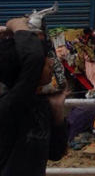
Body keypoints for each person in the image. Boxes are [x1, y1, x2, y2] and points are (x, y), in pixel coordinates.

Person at [0, 17, 68, 176]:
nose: (51, 64)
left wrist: (58, 114)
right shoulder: (8, 105)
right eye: (46, 62)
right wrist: (16, 25)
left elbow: (55, 153)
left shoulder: (41, 103)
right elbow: (34, 57)